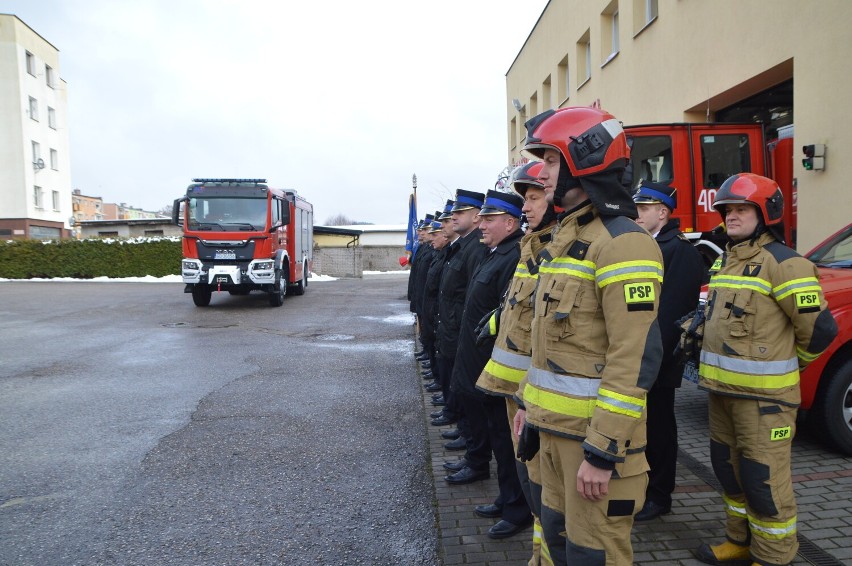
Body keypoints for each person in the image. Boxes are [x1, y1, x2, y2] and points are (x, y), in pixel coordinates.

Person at [512, 106, 664, 566]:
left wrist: (602, 450)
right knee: (560, 548)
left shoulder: (623, 242)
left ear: (587, 159)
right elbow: (548, 344)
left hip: (591, 446)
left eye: (552, 161)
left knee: (593, 555)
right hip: (551, 434)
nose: (543, 172)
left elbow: (634, 357)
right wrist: (525, 405)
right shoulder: (565, 239)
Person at [693, 173, 837, 566]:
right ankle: (738, 541)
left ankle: (773, 557)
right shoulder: (727, 260)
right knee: (730, 474)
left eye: (741, 209)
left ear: (766, 213)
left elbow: (820, 332)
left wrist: (791, 368)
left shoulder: (786, 264)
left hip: (765, 403)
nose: (731, 217)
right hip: (722, 395)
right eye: (727, 210)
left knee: (764, 482)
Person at [475, 160, 559, 562]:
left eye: (533, 197)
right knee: (534, 485)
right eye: (523, 198)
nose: (525, 207)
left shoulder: (557, 250)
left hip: (543, 394)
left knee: (549, 492)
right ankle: (539, 556)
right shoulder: (532, 247)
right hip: (516, 387)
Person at [444, 189, 532, 538]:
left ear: (510, 223)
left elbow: (506, 318)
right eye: (480, 217)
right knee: (499, 439)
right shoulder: (491, 253)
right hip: (484, 366)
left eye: (489, 219)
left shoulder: (513, 256)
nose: (481, 224)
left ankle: (517, 509)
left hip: (500, 369)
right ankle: (506, 497)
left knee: (509, 442)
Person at [631, 180, 706, 521]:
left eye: (644, 208)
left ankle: (660, 495)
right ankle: (644, 487)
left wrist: (651, 362)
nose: (637, 213)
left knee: (660, 429)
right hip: (639, 356)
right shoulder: (644, 245)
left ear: (663, 212)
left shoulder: (679, 251)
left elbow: (670, 315)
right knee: (643, 428)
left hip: (657, 360)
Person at [432, 190, 488, 431]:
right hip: (451, 327)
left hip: (461, 331)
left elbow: (471, 297)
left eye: (459, 212)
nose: (453, 217)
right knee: (457, 383)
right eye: (452, 213)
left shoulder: (474, 249)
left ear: (477, 217)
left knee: (467, 390)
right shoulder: (461, 248)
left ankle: (469, 440)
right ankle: (465, 432)